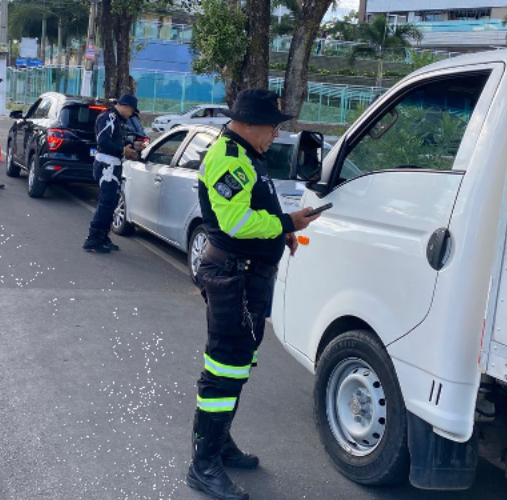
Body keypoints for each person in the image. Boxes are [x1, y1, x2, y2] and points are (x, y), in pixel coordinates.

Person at [186, 89, 321, 500]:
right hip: (233, 276)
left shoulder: (245, 155)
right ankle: (203, 464)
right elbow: (237, 223)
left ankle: (218, 444)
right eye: (273, 127)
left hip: (245, 277)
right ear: (249, 123)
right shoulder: (229, 158)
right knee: (224, 367)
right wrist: (286, 221)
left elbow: (253, 215)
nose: (275, 135)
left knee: (235, 366)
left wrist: (282, 232)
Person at [82, 94, 140, 253]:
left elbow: (114, 140)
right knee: (106, 202)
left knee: (112, 202)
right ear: (126, 106)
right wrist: (123, 150)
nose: (131, 115)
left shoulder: (118, 120)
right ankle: (93, 238)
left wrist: (130, 144)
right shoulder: (109, 117)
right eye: (132, 111)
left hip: (113, 165)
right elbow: (103, 141)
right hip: (106, 165)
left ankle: (102, 236)